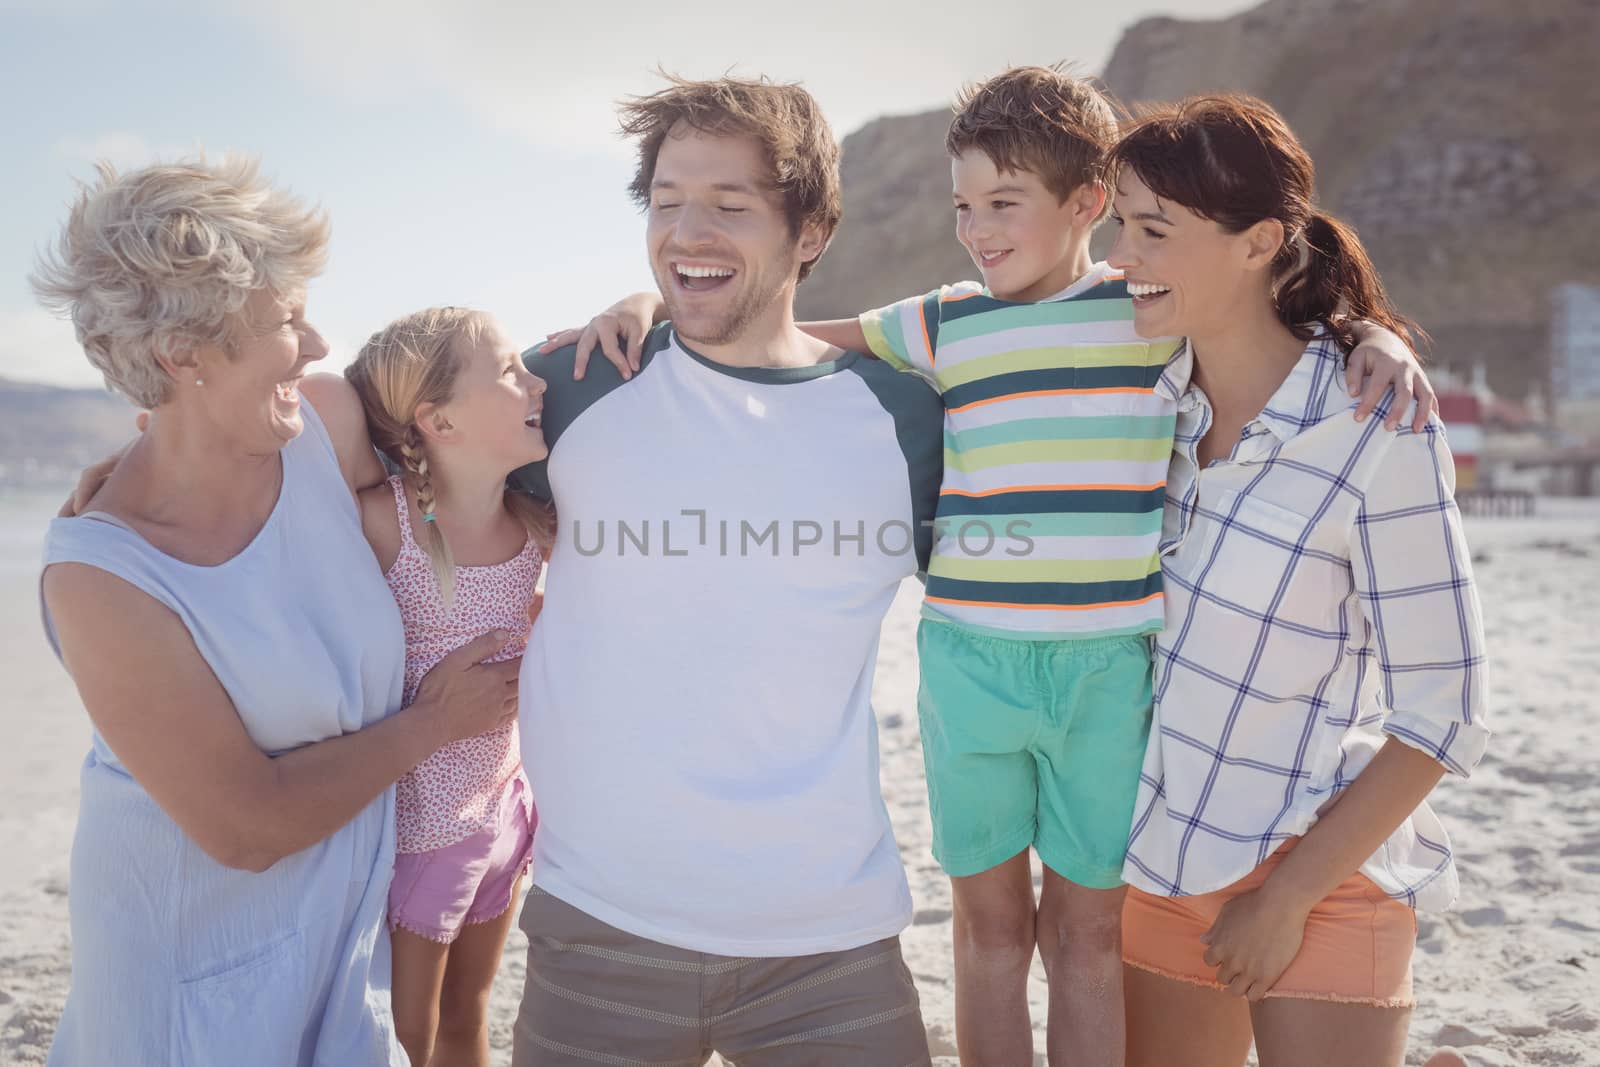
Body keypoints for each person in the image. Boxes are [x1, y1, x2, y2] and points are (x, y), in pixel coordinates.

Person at [555, 65, 1433, 1066]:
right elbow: (784, 333)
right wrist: (647, 305)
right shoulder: (942, 321)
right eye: (962, 205)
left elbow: (1263, 318)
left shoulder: (1147, 318)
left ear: (1086, 204)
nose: (976, 228)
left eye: (1002, 203)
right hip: (968, 664)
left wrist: (1372, 335)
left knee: (1086, 938)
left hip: (1107, 669)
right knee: (987, 932)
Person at [31, 159, 519, 1065]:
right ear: (183, 357)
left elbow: (483, 417)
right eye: (286, 321)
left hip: (341, 943)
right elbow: (245, 825)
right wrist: (434, 724)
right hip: (187, 978)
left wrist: (636, 323)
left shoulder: (323, 428)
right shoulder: (103, 577)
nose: (318, 343)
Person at [508, 74, 944, 1065]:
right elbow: (378, 438)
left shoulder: (903, 418)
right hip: (596, 932)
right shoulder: (576, 384)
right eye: (665, 203)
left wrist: (1349, 334)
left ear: (810, 231)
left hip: (831, 949)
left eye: (729, 206)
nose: (686, 232)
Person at [1104, 95, 1490, 1067]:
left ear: (1259, 241)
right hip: (1158, 855)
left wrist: (1285, 898)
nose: (1120, 254)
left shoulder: (1372, 422)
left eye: (1153, 230)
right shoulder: (1141, 388)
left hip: (1319, 870)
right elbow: (972, 314)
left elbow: (1442, 709)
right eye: (1118, 223)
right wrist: (652, 306)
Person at [345, 308, 552, 1067]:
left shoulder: (537, 526)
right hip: (422, 835)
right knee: (406, 1038)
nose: (535, 381)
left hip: (506, 811)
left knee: (470, 1018)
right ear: (437, 420)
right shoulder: (384, 523)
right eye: (507, 371)